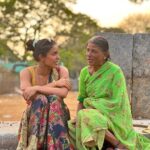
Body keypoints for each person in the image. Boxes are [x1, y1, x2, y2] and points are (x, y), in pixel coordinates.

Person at [68, 36, 150, 150]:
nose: (89, 54)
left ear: (105, 54)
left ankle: (117, 144)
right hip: (90, 115)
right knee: (71, 127)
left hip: (112, 117)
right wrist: (78, 118)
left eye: (94, 51)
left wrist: (92, 107)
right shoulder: (84, 73)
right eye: (88, 50)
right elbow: (82, 99)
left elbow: (117, 102)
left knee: (88, 116)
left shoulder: (115, 71)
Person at [17, 38, 73, 150]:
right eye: (54, 54)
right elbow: (28, 94)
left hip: (58, 115)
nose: (58, 57)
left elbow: (63, 92)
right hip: (35, 116)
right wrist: (56, 83)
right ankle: (35, 145)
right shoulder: (26, 73)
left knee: (53, 99)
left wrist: (36, 88)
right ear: (41, 57)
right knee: (40, 99)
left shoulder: (62, 71)